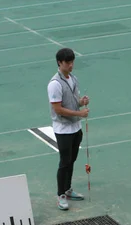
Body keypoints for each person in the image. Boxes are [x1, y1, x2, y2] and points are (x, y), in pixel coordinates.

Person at [48, 47, 90, 210]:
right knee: (64, 162)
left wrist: (81, 102)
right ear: (60, 63)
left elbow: (71, 101)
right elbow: (58, 109)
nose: (71, 65)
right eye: (68, 62)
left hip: (75, 127)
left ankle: (68, 188)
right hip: (63, 129)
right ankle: (61, 195)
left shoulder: (73, 79)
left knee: (72, 160)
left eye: (72, 62)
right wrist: (79, 113)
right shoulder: (54, 84)